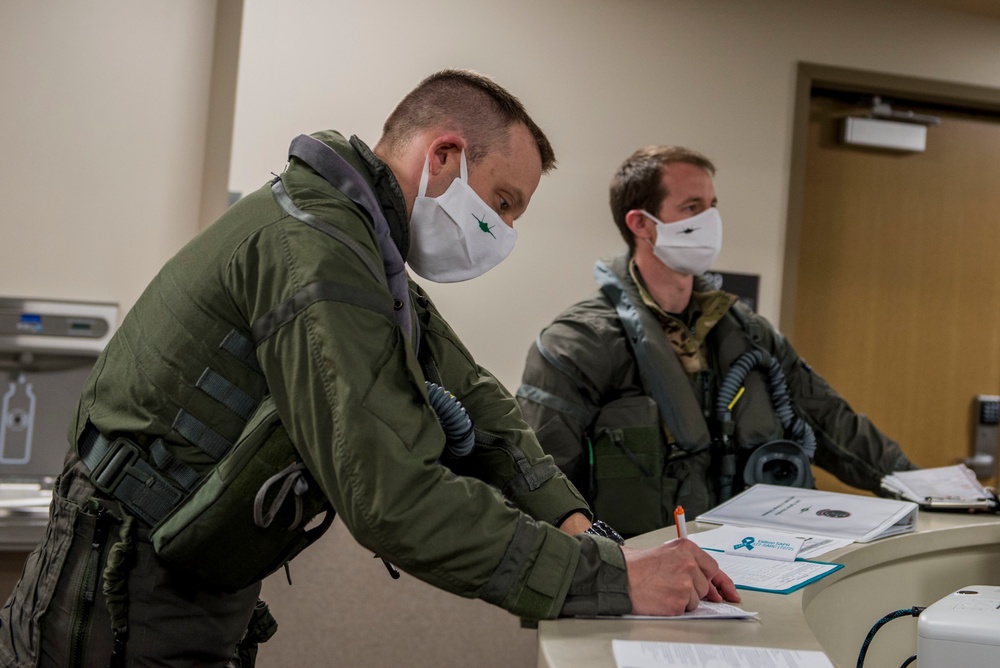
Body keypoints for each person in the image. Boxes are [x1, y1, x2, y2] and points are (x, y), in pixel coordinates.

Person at [0, 74, 737, 668]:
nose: (504, 233)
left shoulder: (361, 244)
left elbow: (478, 399)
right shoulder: (314, 249)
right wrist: (610, 579)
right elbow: (394, 495)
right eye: (503, 203)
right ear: (443, 156)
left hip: (189, 582)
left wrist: (585, 529)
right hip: (117, 597)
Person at [518, 145, 916, 538]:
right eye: (692, 208)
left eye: (712, 206)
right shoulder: (577, 345)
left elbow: (832, 423)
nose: (710, 220)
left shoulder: (750, 335)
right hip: (642, 568)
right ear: (641, 224)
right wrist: (608, 566)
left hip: (758, 558)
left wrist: (922, 489)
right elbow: (541, 486)